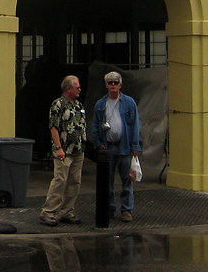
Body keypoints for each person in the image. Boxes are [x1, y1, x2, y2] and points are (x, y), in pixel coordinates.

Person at [91, 71, 142, 222]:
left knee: (127, 180)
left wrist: (135, 146)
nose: (113, 85)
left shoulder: (129, 103)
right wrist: (98, 143)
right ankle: (109, 208)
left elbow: (135, 125)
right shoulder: (101, 104)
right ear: (106, 85)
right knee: (107, 181)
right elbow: (95, 125)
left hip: (125, 147)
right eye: (110, 83)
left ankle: (127, 210)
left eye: (115, 83)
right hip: (107, 147)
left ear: (120, 85)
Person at [39, 75, 87, 226]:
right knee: (60, 180)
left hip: (78, 150)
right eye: (77, 87)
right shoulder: (58, 104)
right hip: (64, 150)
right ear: (68, 88)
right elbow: (53, 127)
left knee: (75, 181)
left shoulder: (78, 105)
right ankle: (48, 211)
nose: (79, 89)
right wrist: (59, 147)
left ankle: (67, 211)